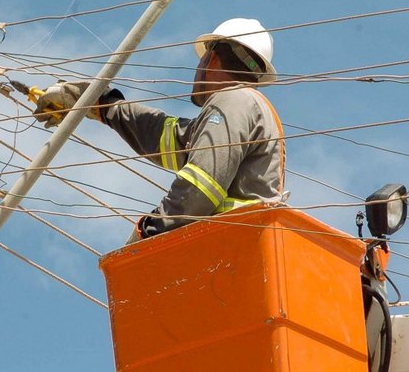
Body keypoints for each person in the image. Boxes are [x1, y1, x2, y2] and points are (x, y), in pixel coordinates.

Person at [33, 18, 285, 242]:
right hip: (234, 251)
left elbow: (202, 185)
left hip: (229, 249)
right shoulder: (245, 110)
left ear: (212, 57)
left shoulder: (232, 100)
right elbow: (165, 135)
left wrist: (151, 230)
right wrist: (102, 103)